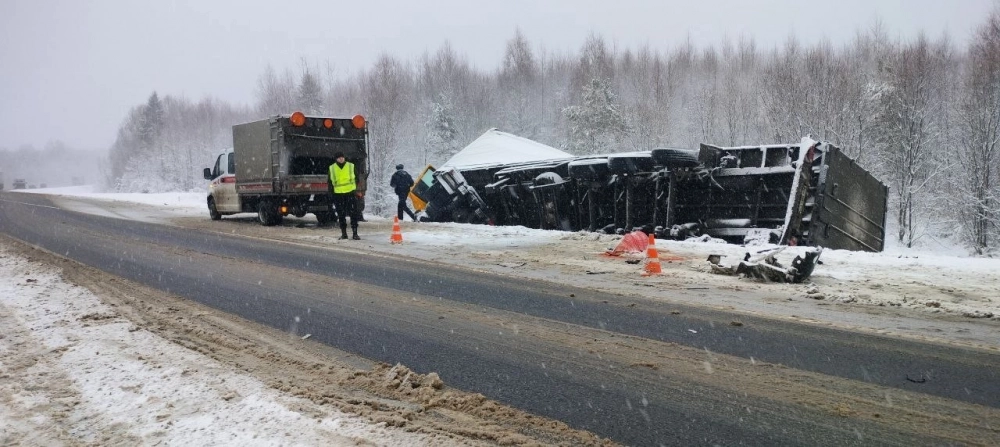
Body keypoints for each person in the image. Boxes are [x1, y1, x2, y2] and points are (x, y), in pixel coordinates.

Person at [328, 152, 362, 240]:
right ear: (336, 159)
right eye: (339, 158)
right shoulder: (332, 168)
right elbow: (330, 182)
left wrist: (353, 188)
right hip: (338, 195)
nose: (341, 159)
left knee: (353, 213)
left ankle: (355, 233)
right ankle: (344, 234)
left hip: (350, 193)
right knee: (341, 215)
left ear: (344, 158)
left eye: (342, 157)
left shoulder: (351, 166)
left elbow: (357, 178)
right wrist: (331, 194)